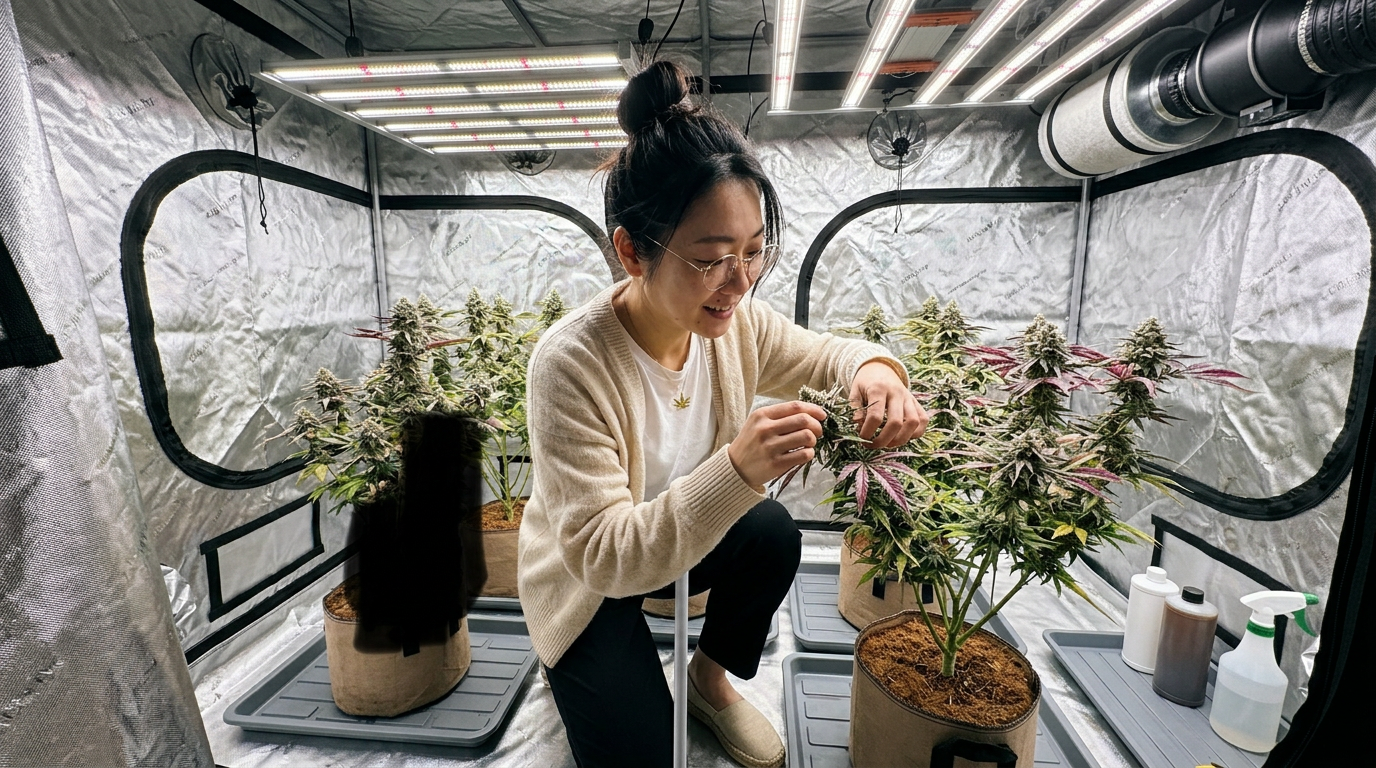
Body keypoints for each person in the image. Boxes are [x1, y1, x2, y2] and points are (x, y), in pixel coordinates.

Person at [517, 60, 928, 768]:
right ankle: (586, 673)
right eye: (712, 259)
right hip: (591, 581)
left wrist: (877, 370)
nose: (738, 283)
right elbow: (603, 554)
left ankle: (706, 682)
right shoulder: (572, 364)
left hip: (674, 546)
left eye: (754, 253)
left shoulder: (734, 325)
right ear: (631, 251)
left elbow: (829, 353)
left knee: (771, 534)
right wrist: (738, 467)